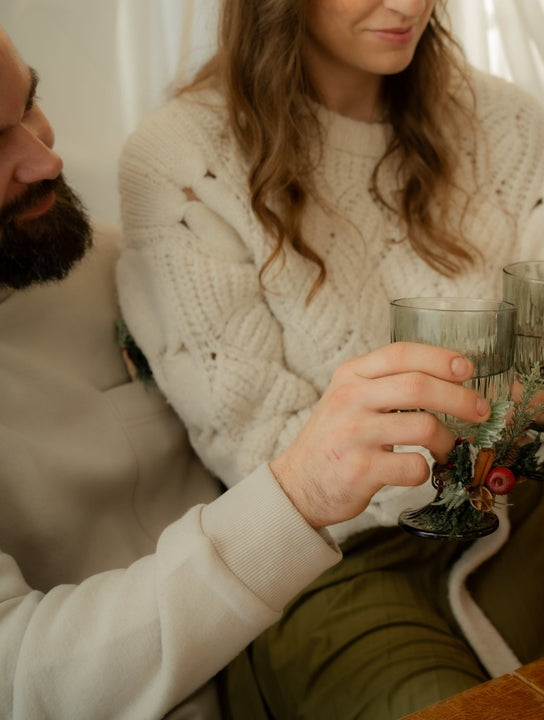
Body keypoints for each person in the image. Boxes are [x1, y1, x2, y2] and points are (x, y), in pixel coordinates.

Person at [0, 22, 498, 719]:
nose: (45, 159)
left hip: (326, 602)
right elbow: (23, 683)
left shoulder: (96, 251)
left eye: (29, 105)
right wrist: (295, 494)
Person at [115, 0, 544, 717]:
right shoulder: (184, 162)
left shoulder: (508, 125)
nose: (407, 6)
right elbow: (260, 446)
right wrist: (495, 416)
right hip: (328, 565)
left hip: (508, 525)